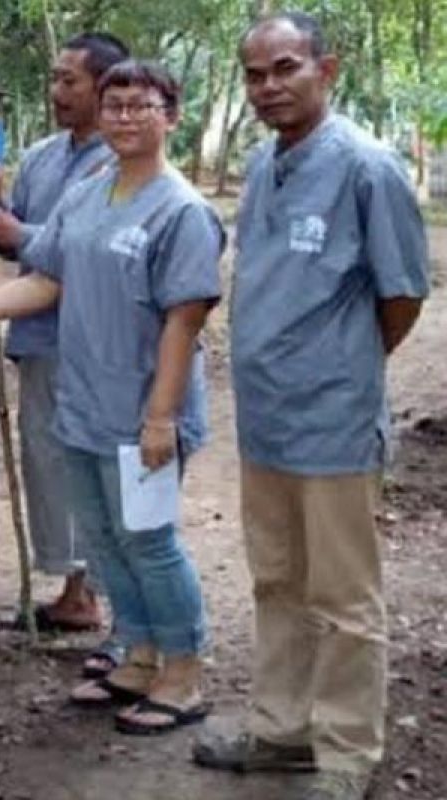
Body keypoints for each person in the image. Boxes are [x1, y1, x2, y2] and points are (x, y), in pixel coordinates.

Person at [0, 60, 222, 737]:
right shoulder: (91, 189)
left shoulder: (183, 210)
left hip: (143, 413)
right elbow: (47, 281)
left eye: (143, 106)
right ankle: (137, 655)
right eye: (115, 105)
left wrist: (161, 416)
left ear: (172, 117)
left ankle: (184, 673)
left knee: (151, 541)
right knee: (105, 541)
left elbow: (185, 320)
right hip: (82, 405)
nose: (127, 117)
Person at [191, 12, 430, 800]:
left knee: (344, 598)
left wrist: (342, 368)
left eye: (285, 68)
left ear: (326, 70)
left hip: (332, 420)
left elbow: (401, 296)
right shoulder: (263, 166)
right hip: (265, 421)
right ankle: (282, 729)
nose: (268, 87)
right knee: (277, 582)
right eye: (255, 75)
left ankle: (347, 753)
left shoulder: (369, 168)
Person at [0, 32, 130, 677]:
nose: (57, 91)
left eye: (70, 81)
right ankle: (73, 593)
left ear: (106, 87)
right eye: (55, 80)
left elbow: (96, 252)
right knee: (51, 465)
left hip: (97, 346)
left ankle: (120, 613)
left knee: (101, 471)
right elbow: (21, 249)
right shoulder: (40, 156)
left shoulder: (120, 166)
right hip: (39, 337)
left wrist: (20, 232)